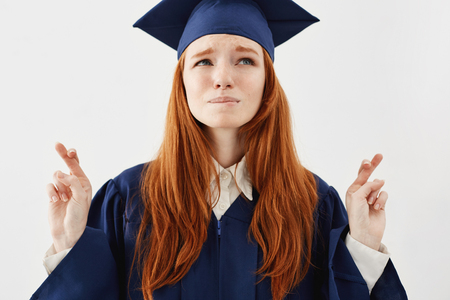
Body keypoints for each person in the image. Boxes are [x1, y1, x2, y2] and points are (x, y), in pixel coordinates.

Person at [31, 0, 408, 299]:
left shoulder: (312, 203)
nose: (223, 78)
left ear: (267, 81)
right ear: (183, 81)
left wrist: (362, 247)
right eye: (203, 61)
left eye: (245, 59)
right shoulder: (129, 199)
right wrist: (70, 243)